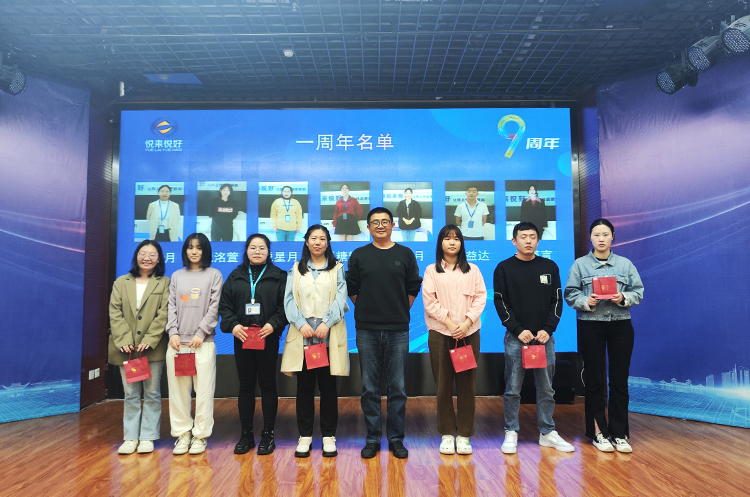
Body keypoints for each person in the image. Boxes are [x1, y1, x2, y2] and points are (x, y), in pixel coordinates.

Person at [346, 207, 423, 459]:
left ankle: (396, 439)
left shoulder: (405, 253)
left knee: (397, 388)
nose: (380, 225)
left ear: (392, 225)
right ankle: (372, 438)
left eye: (385, 221)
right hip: (366, 329)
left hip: (397, 329)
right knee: (369, 388)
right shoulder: (359, 255)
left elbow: (413, 286)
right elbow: (352, 288)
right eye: (375, 222)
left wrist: (399, 308)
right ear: (368, 227)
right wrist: (367, 308)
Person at [564, 218, 644, 454]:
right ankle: (599, 432)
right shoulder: (580, 265)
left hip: (620, 325)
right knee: (595, 380)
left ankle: (619, 433)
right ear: (591, 237)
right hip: (591, 325)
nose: (601, 239)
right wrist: (585, 301)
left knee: (619, 380)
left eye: (605, 234)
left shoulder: (625, 264)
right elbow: (570, 293)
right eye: (597, 235)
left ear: (612, 237)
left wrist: (623, 298)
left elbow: (638, 291)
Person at [493, 222, 573, 454]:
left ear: (538, 240)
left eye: (532, 236)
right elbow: (501, 303)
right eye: (523, 236)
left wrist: (548, 329)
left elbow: (556, 301)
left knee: (546, 388)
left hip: (544, 338)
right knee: (512, 388)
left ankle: (547, 432)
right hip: (516, 338)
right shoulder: (503, 268)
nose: (528, 240)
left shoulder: (549, 266)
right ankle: (511, 431)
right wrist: (518, 329)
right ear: (514, 240)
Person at [281, 224, 349, 458]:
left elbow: (341, 299)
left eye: (322, 238)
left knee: (328, 388)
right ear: (306, 242)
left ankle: (329, 436)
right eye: (313, 238)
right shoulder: (296, 268)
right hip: (303, 337)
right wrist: (301, 324)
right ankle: (305, 436)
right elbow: (289, 299)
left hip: (327, 336)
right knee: (304, 388)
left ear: (328, 243)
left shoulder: (337, 268)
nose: (318, 242)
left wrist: (326, 323)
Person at [219, 234, 288, 456]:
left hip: (267, 337)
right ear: (246, 250)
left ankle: (268, 434)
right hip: (242, 338)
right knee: (246, 386)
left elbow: (285, 306)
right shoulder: (235, 276)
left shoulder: (279, 276)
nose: (257, 251)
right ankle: (246, 434)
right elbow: (225, 306)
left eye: (262, 248)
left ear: (268, 251)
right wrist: (233, 325)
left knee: (268, 385)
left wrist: (273, 324)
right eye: (253, 247)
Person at [422, 225, 486, 456]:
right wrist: (450, 324)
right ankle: (447, 434)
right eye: (447, 238)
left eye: (456, 239)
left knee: (467, 385)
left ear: (461, 243)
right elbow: (430, 302)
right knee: (443, 385)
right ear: (440, 243)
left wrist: (466, 324)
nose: (452, 242)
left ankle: (465, 435)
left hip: (468, 334)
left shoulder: (473, 270)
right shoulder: (432, 270)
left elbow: (480, 298)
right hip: (441, 333)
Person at [108, 240, 170, 455]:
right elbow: (115, 312)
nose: (147, 258)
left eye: (152, 254)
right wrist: (124, 338)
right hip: (126, 348)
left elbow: (164, 314)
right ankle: (130, 437)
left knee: (152, 392)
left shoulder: (165, 283)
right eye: (143, 253)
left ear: (159, 259)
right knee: (131, 393)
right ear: (136, 256)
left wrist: (150, 339)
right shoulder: (121, 282)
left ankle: (147, 436)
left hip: (152, 348)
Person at [165, 233, 223, 455]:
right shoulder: (177, 276)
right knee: (178, 392)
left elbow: (214, 307)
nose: (194, 251)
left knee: (203, 391)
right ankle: (182, 434)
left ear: (205, 250)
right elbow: (171, 306)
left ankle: (200, 435)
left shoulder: (214, 275)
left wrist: (201, 332)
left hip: (202, 343)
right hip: (178, 344)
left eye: (199, 247)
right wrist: (172, 332)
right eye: (190, 247)